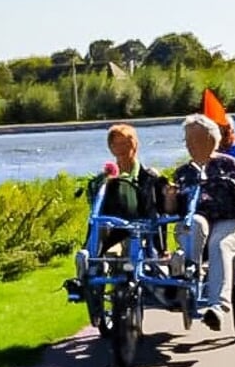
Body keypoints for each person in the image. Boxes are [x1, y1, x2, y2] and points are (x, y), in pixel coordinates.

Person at [69, 123, 169, 311]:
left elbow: (159, 212)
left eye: (126, 144)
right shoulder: (104, 179)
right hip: (112, 229)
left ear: (135, 146)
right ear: (111, 148)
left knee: (128, 254)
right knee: (101, 245)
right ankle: (87, 277)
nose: (122, 150)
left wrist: (162, 248)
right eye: (117, 145)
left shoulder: (149, 177)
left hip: (140, 231)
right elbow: (95, 208)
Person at [166, 113, 235, 330]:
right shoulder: (183, 172)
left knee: (219, 245)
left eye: (193, 140)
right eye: (187, 140)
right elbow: (170, 210)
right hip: (195, 220)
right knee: (194, 224)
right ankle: (190, 278)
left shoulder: (228, 164)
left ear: (209, 141)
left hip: (229, 221)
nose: (188, 145)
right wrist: (170, 196)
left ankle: (217, 306)